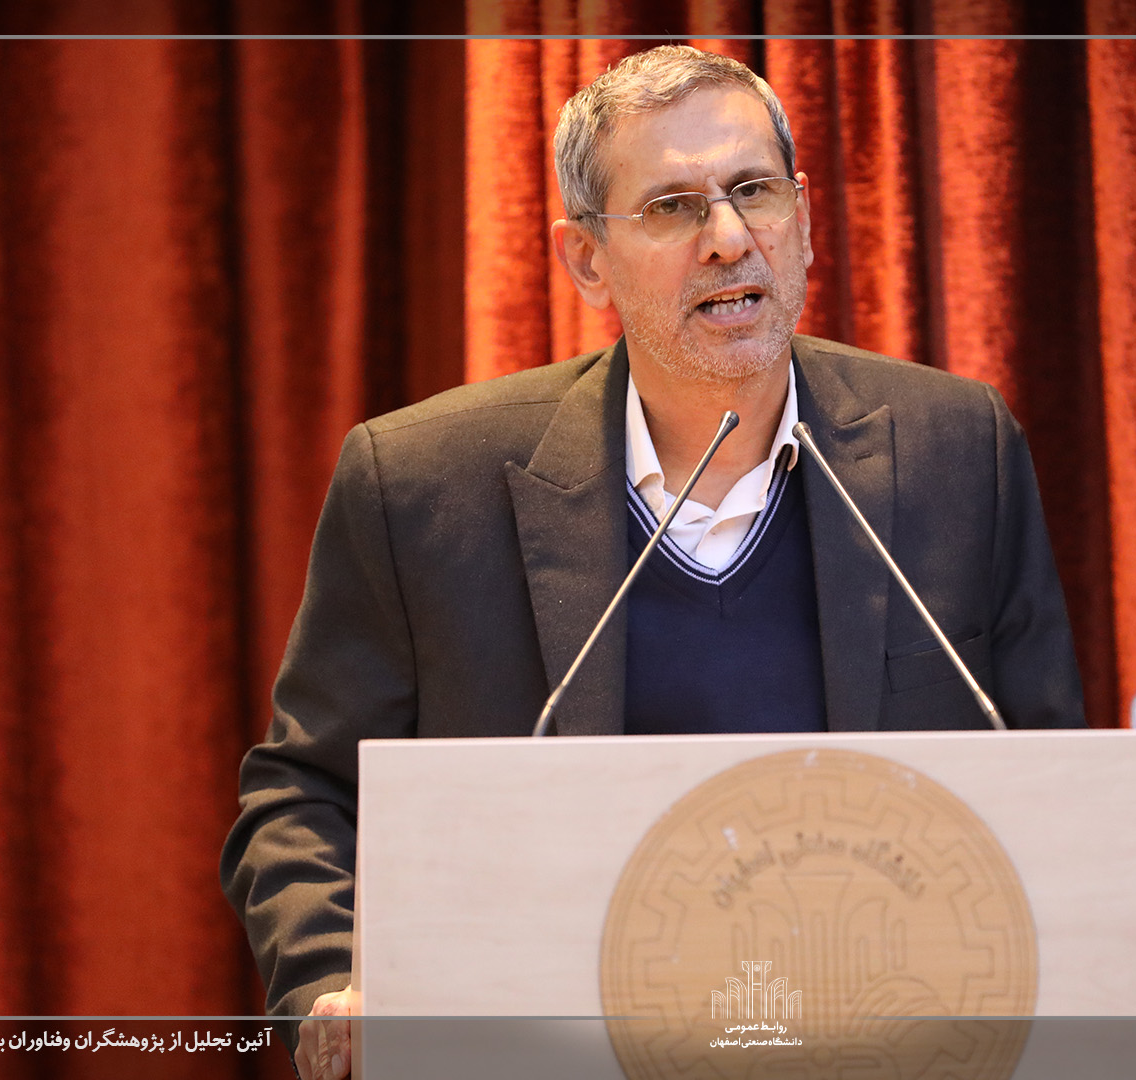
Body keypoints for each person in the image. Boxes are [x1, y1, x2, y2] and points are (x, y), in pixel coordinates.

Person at [219, 45, 1085, 1080]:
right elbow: (304, 792)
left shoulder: (958, 451)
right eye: (673, 208)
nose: (729, 239)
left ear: (805, 216)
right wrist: (336, 984)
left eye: (754, 192)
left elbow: (1053, 777)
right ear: (587, 259)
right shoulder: (420, 485)